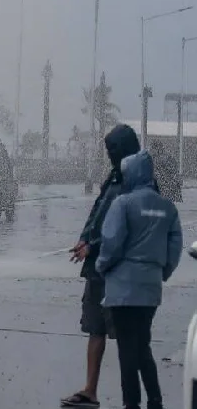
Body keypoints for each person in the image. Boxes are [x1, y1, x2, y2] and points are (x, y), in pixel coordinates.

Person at [61, 123, 141, 408]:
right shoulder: (115, 176)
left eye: (113, 149)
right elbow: (98, 213)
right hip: (98, 269)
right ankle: (90, 390)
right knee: (96, 328)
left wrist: (93, 246)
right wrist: (85, 239)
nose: (109, 154)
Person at [96, 150, 182, 409]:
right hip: (150, 289)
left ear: (131, 174)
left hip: (122, 289)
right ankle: (155, 399)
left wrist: (102, 266)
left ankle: (131, 402)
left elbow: (112, 243)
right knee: (142, 343)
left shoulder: (122, 204)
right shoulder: (167, 208)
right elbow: (175, 247)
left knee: (126, 348)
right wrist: (163, 272)